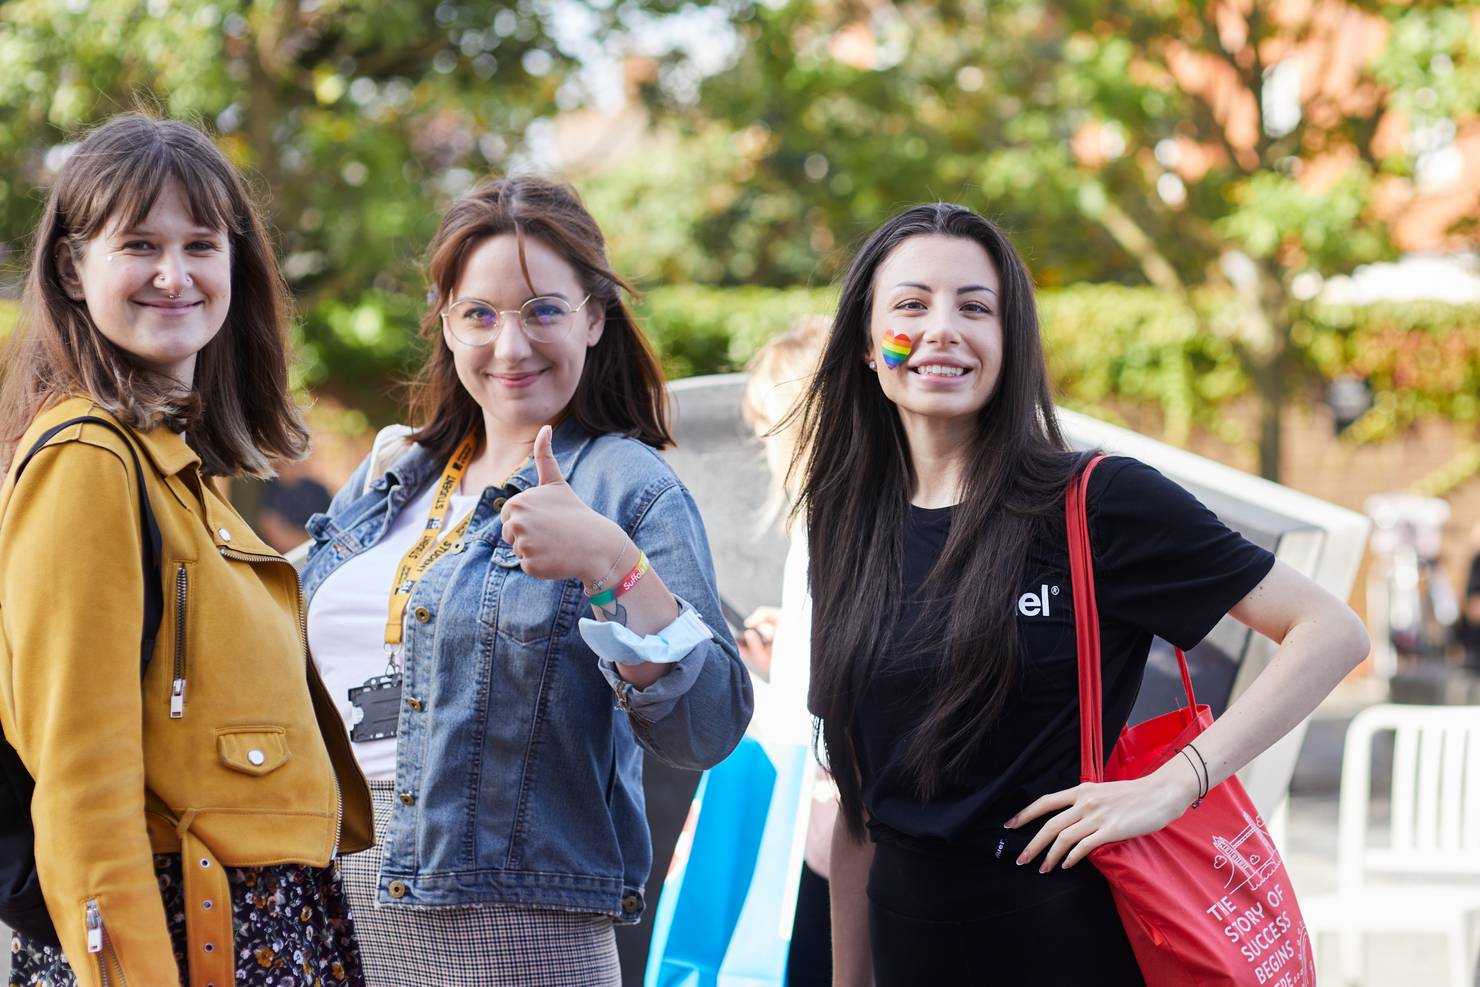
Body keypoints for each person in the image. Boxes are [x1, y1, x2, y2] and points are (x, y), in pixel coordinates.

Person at [794, 203, 1371, 984]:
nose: (941, 329)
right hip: (906, 947)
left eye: (974, 306)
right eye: (909, 304)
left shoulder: (1095, 500)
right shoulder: (846, 525)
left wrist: (1171, 785)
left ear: (1010, 341)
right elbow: (861, 808)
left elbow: (1329, 630)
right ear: (866, 345)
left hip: (1064, 944)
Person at [298, 175, 753, 986]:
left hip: (507, 940)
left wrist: (614, 566)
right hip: (325, 919)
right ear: (446, 323)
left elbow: (708, 723)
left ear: (593, 318)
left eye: (542, 309)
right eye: (479, 314)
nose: (510, 346)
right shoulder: (387, 479)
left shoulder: (627, 485)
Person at [0, 113, 373, 987]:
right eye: (139, 244)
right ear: (71, 266)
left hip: (257, 929)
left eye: (201, 243)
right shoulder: (90, 460)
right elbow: (80, 778)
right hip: (182, 938)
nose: (175, 274)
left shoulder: (174, 469)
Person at [738, 316, 835, 986]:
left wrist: (744, 693)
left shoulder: (825, 533)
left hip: (827, 855)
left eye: (768, 425)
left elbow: (803, 728)